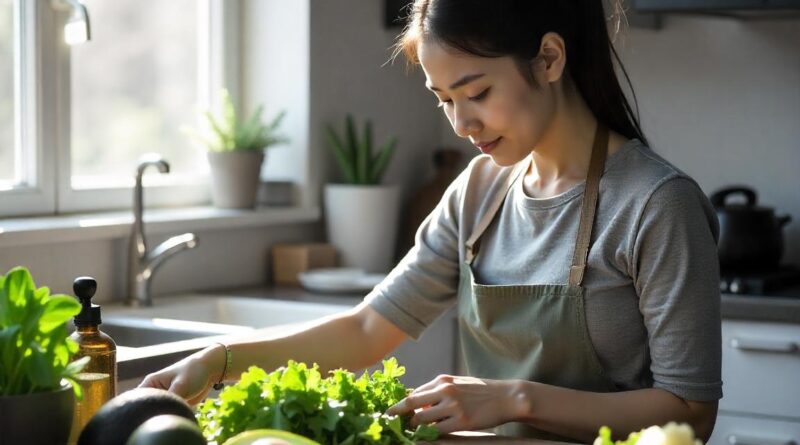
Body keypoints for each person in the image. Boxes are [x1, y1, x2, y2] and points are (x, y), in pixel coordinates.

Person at [140, 0, 722, 442]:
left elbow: (691, 410)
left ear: (549, 58)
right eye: (444, 99)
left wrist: (514, 399)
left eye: (477, 92)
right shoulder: (477, 193)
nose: (461, 123)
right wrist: (220, 360)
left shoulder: (655, 203)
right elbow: (367, 330)